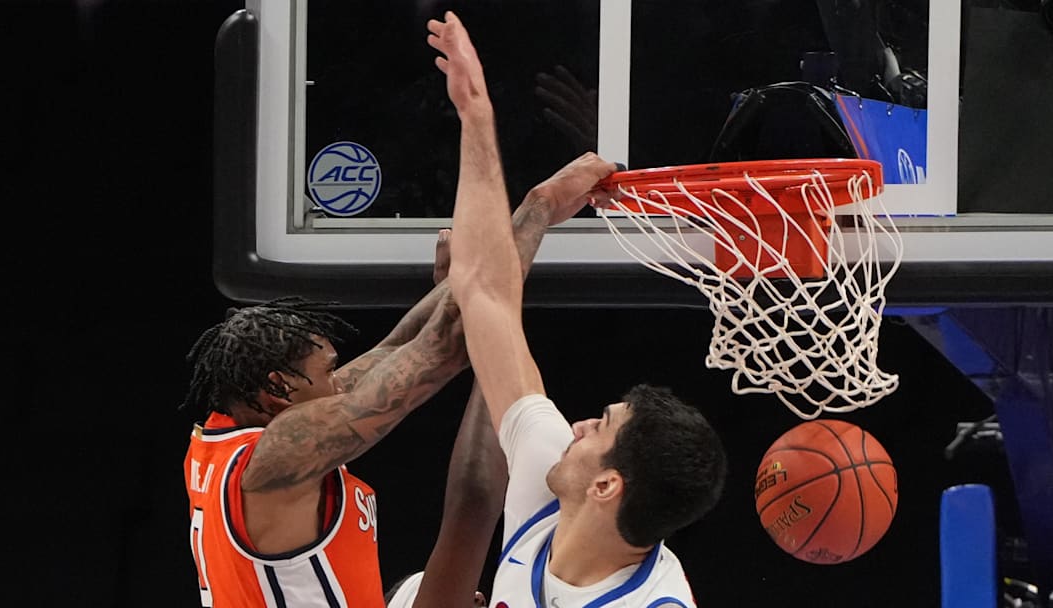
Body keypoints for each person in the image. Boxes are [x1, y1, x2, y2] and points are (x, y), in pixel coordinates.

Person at [181, 142, 600, 605]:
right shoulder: (278, 456)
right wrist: (538, 206)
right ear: (279, 389)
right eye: (330, 371)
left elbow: (400, 347)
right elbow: (447, 345)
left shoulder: (226, 444)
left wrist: (456, 290)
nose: (343, 382)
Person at [429, 11, 728, 607]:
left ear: (606, 485)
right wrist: (477, 116)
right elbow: (485, 292)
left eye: (602, 427)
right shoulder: (553, 469)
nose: (579, 424)